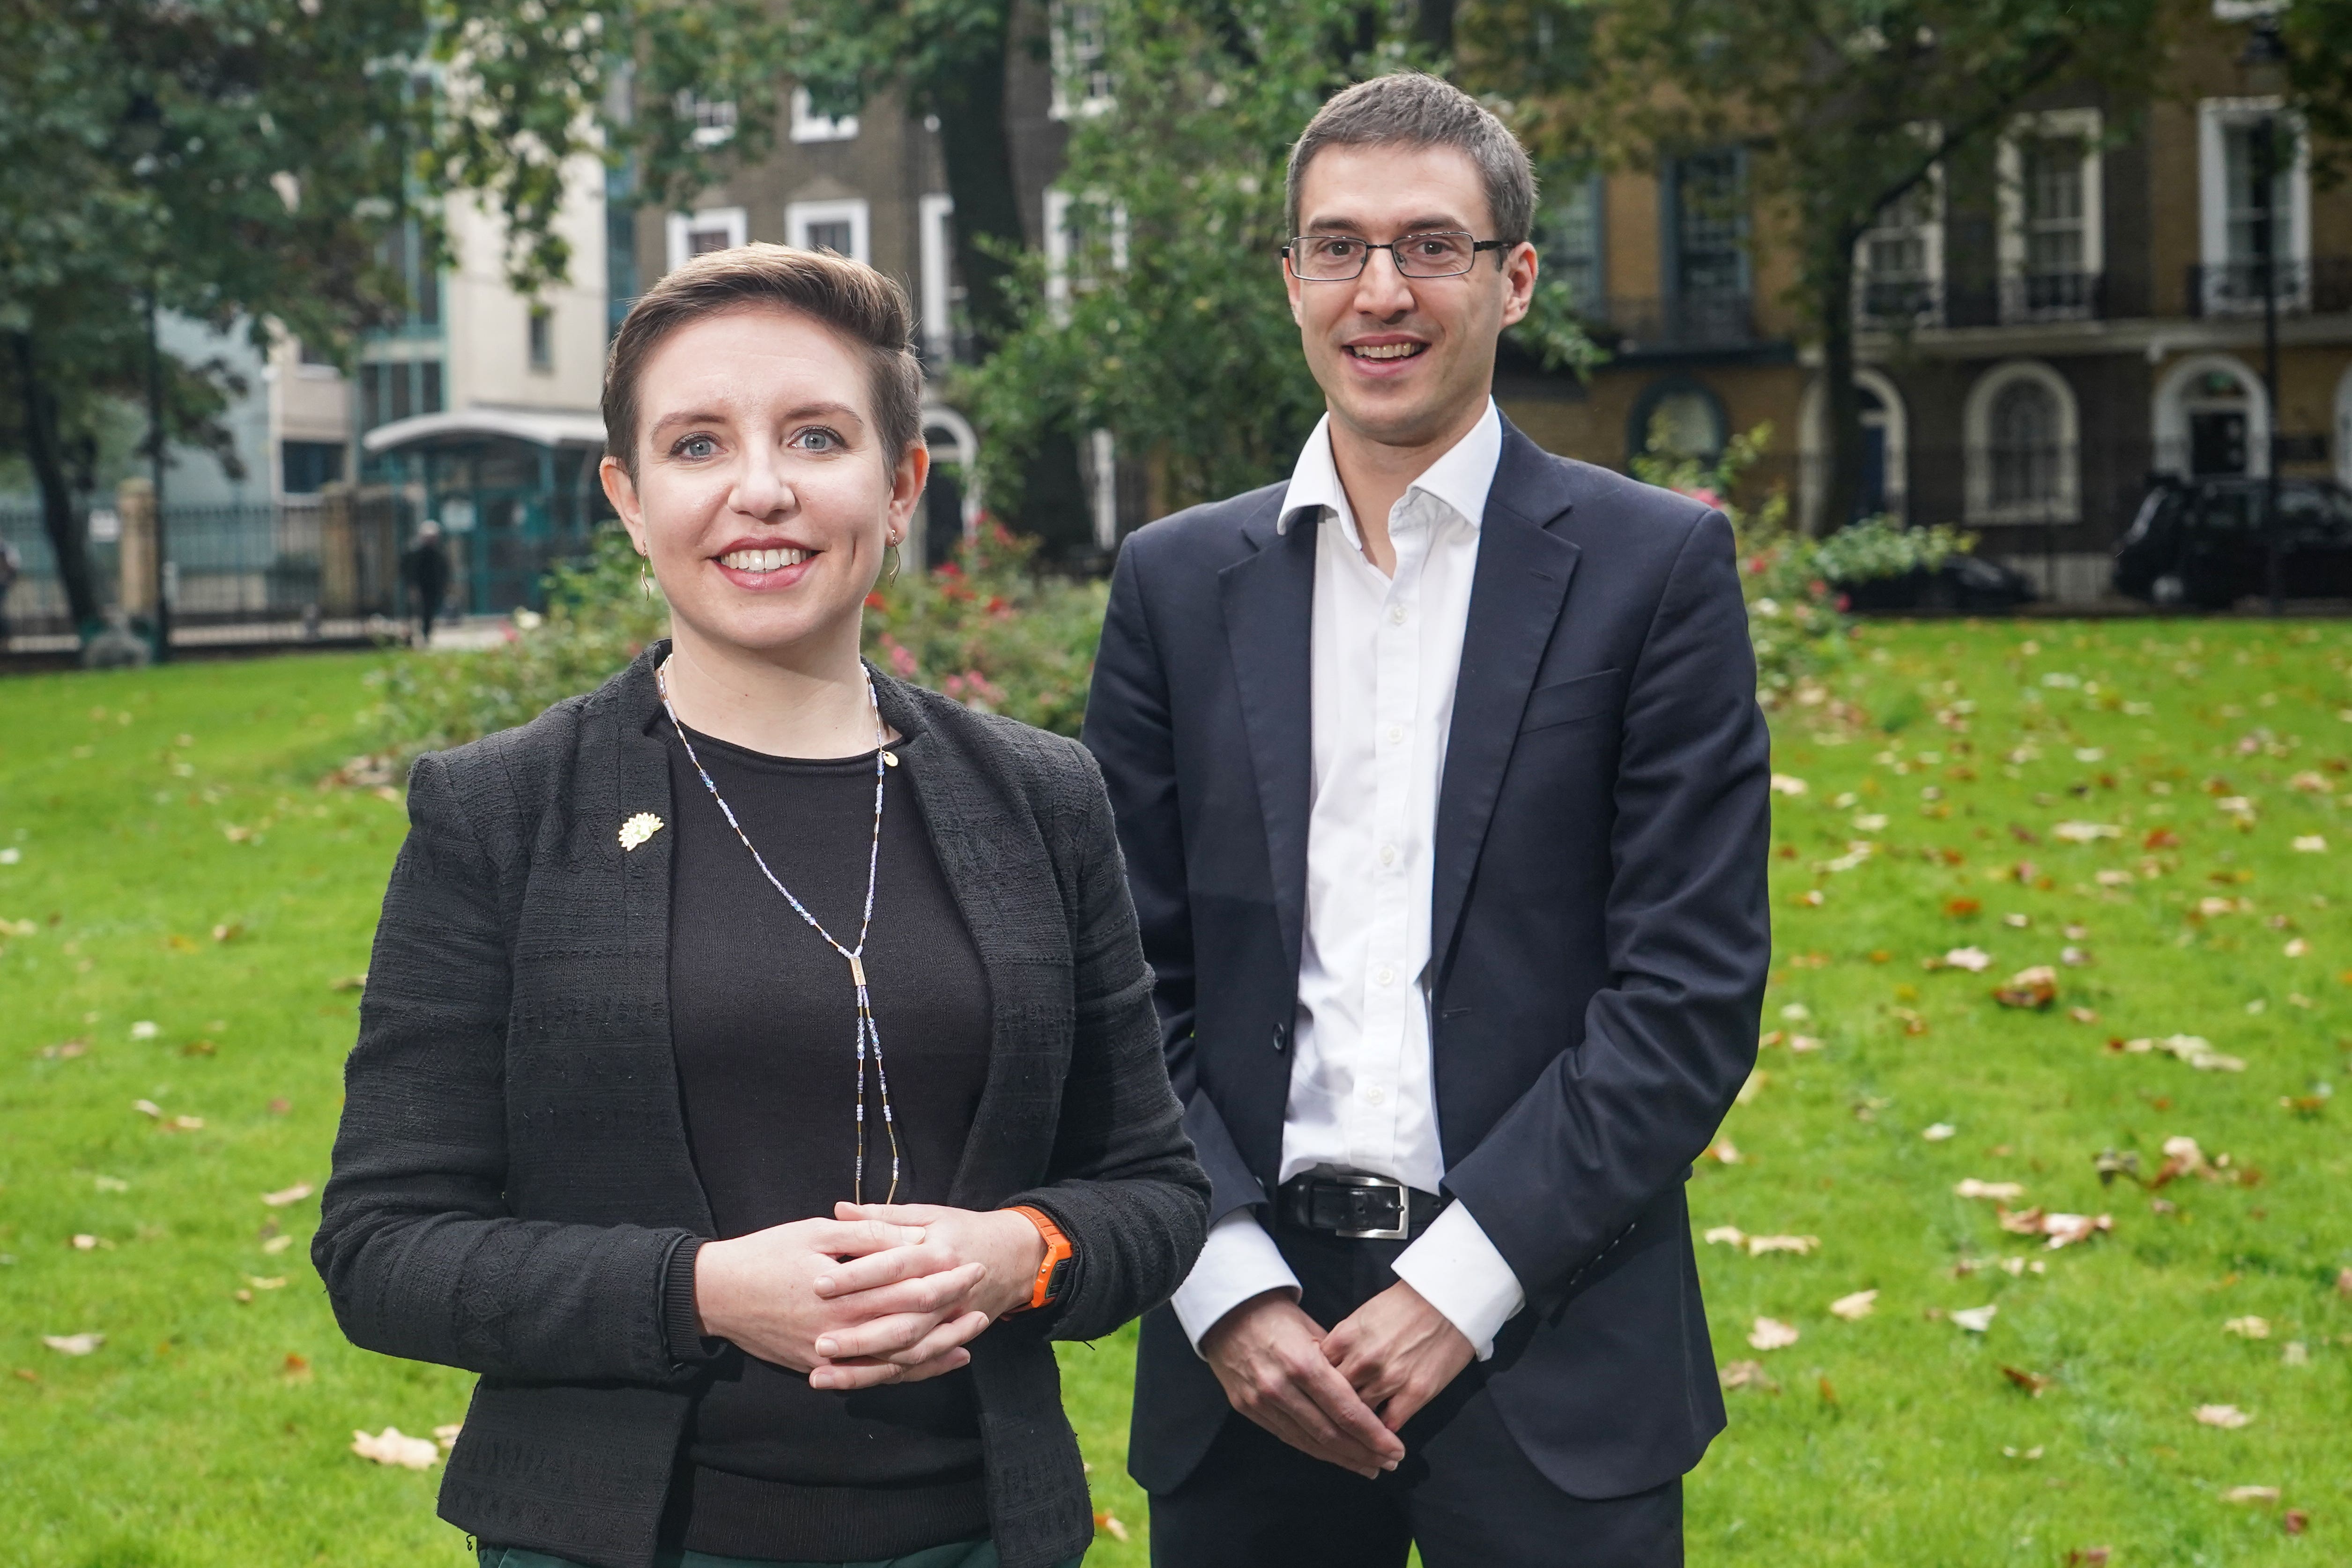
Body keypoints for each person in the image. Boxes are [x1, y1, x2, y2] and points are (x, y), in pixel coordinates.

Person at [316, 244, 1209, 1568]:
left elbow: (1151, 1186)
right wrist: (703, 1292)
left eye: (814, 434)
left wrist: (1021, 1251)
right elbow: (384, 1249)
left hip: (980, 1533)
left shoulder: (1039, 796)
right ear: (626, 497)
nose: (761, 489)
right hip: (626, 1540)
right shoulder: (502, 812)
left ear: (901, 482)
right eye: (695, 445)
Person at [1083, 73, 1770, 1566]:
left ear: (1512, 276)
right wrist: (1219, 1275)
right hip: (1240, 1353)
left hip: (1549, 1324)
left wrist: (1458, 1282)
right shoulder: (1169, 586)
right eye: (1334, 247)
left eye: (1428, 246)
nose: (1376, 291)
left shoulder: (1650, 571)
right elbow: (1120, 982)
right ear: (1288, 280)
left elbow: (1687, 995)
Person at [402, 518, 452, 644]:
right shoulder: (414, 553)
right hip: (419, 586)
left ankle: (426, 634)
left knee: (429, 612)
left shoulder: (439, 553)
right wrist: (412, 586)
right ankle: (410, 636)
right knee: (414, 612)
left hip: (433, 587)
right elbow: (408, 571)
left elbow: (444, 571)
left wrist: (446, 585)